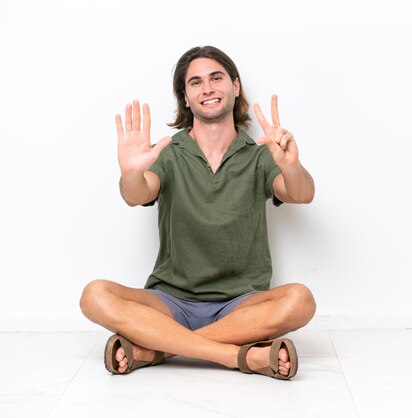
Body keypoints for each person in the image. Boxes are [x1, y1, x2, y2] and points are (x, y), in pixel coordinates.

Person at [80, 46, 316, 380]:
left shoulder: (259, 153)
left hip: (241, 305)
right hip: (169, 302)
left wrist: (291, 166)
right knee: (95, 295)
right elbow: (137, 195)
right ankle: (239, 356)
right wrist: (131, 173)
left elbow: (301, 193)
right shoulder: (170, 152)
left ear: (235, 87)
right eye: (195, 82)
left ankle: (155, 350)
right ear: (186, 99)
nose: (207, 88)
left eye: (216, 78)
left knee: (300, 300)